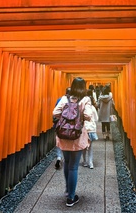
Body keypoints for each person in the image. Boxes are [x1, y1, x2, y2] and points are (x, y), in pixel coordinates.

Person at [53, 77, 93, 207]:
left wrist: (66, 118)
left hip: (64, 135)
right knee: (74, 166)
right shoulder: (85, 99)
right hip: (77, 135)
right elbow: (88, 116)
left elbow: (55, 112)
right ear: (83, 87)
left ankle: (67, 191)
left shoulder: (65, 98)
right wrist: (78, 117)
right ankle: (71, 197)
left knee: (67, 163)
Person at [53, 87, 71, 169]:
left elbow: (55, 112)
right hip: (69, 126)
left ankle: (59, 157)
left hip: (59, 124)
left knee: (59, 141)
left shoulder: (60, 100)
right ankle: (67, 158)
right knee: (68, 141)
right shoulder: (73, 101)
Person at [82, 89, 99, 169]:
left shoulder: (82, 107)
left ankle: (84, 161)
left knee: (84, 146)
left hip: (84, 128)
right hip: (91, 129)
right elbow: (96, 118)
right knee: (91, 147)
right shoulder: (92, 108)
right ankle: (90, 163)